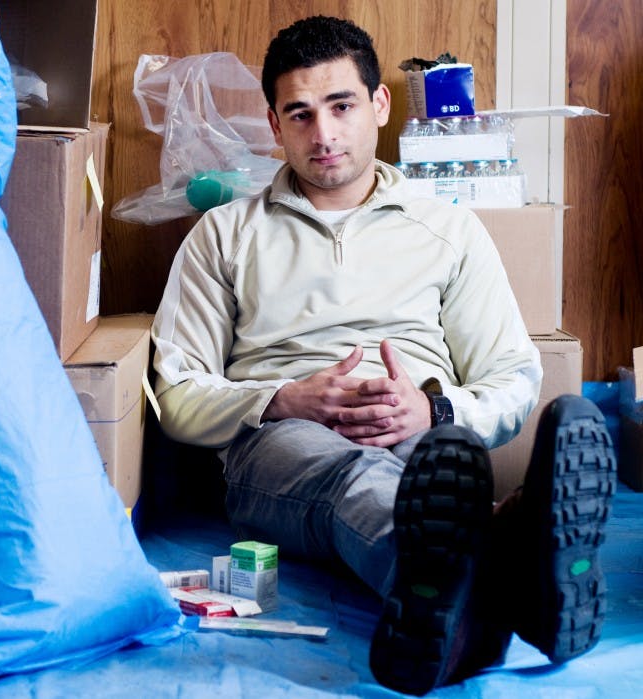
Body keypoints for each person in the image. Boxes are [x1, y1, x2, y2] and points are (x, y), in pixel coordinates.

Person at [150, 15, 617, 695]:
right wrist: (281, 398)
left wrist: (433, 408)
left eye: (341, 106)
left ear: (379, 105)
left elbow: (514, 375)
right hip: (281, 449)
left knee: (431, 476)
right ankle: (511, 559)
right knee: (352, 473)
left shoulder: (448, 228)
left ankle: (467, 602)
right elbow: (175, 392)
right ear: (276, 126)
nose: (324, 133)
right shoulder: (224, 235)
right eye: (300, 114)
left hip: (427, 450)